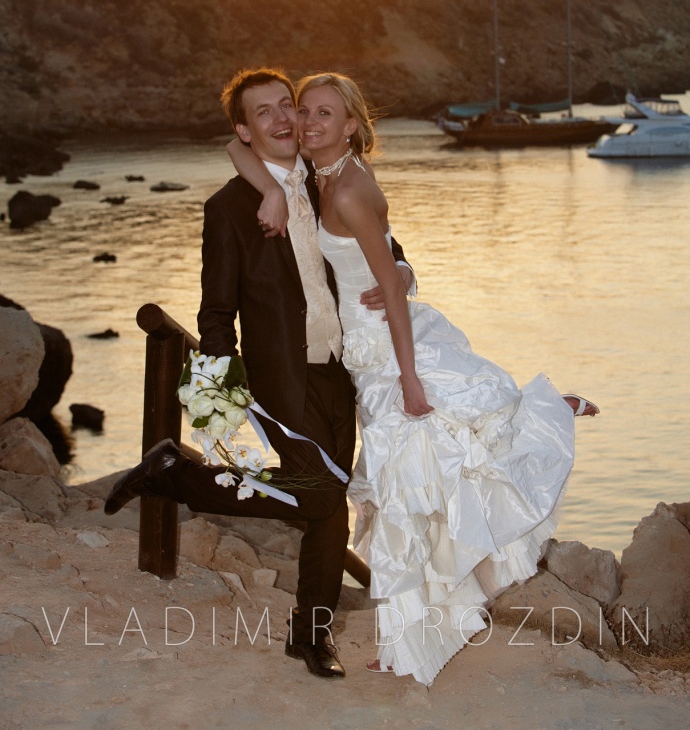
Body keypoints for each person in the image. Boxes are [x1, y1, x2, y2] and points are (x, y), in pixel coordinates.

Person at [229, 71, 599, 686]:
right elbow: (236, 145)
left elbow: (393, 296)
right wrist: (267, 186)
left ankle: (405, 643)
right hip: (361, 355)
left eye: (324, 113)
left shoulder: (349, 190)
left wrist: (408, 378)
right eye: (304, 110)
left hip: (383, 353)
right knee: (409, 489)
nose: (308, 122)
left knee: (405, 493)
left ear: (351, 125)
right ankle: (407, 635)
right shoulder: (316, 173)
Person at [104, 67, 414, 680]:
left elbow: (377, 239)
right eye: (263, 112)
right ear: (245, 132)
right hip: (279, 377)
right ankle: (177, 476)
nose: (281, 119)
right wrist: (221, 396)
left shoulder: (323, 179)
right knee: (322, 494)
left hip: (342, 368)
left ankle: (311, 637)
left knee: (328, 510)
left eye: (286, 105)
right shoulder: (227, 208)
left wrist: (401, 271)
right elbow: (216, 312)